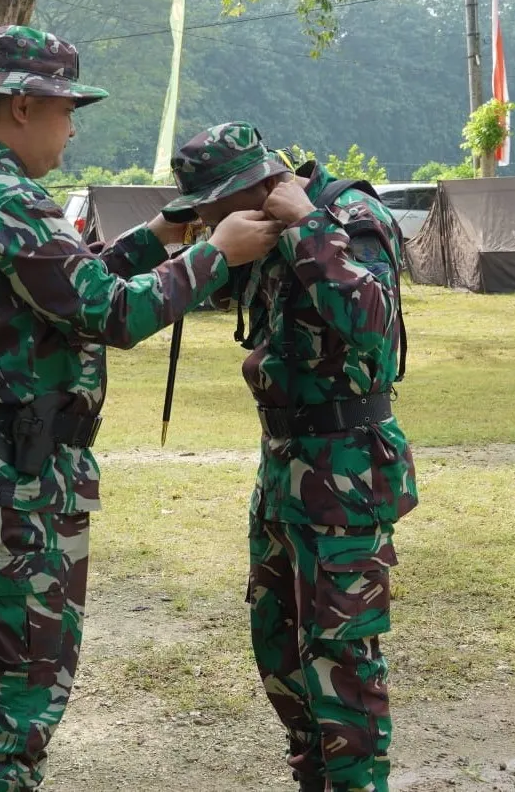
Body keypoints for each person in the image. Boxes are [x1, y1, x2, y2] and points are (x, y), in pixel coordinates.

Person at [0, 26, 283, 791]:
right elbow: (108, 315)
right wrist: (217, 254)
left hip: (1, 457)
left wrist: (160, 234)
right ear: (22, 105)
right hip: (10, 469)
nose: (72, 128)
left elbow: (63, 287)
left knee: (7, 667)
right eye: (65, 110)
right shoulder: (1, 193)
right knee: (20, 685)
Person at [161, 122, 417, 792]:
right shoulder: (252, 227)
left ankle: (356, 783)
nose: (212, 220)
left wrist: (306, 224)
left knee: (340, 653)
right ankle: (313, 770)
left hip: (345, 466)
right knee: (276, 639)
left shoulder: (348, 215)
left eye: (213, 205)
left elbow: (372, 324)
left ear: (256, 183)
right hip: (283, 463)